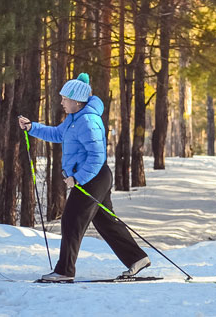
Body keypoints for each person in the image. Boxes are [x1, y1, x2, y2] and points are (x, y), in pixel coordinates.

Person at [18, 73, 150, 282]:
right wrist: (32, 127)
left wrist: (78, 178)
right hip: (94, 176)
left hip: (93, 177)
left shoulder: (88, 121)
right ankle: (137, 258)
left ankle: (64, 271)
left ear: (77, 101)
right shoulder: (73, 119)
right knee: (106, 222)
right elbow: (57, 135)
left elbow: (97, 156)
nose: (61, 102)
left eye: (65, 98)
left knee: (71, 220)